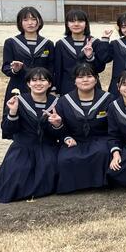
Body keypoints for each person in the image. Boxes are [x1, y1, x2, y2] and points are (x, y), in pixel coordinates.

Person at [0, 67, 59, 203]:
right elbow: (8, 129)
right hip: (23, 148)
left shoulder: (57, 103)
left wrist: (57, 124)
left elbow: (61, 132)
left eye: (43, 80)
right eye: (34, 80)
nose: (38, 83)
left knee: (50, 168)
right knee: (18, 173)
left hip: (47, 147)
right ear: (28, 83)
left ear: (49, 84)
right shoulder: (18, 101)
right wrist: (12, 112)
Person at [50, 63, 114, 194]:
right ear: (74, 80)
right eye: (80, 77)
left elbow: (113, 126)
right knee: (65, 158)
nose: (85, 80)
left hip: (99, 139)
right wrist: (62, 131)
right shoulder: (64, 101)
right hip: (75, 140)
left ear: (96, 79)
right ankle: (74, 186)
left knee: (101, 153)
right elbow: (61, 131)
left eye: (89, 76)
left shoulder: (108, 99)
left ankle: (99, 184)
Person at [1, 6, 55, 104]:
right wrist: (15, 70)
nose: (30, 23)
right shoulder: (11, 42)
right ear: (20, 23)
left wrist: (52, 89)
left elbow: (51, 69)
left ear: (39, 21)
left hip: (41, 89)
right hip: (18, 87)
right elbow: (6, 67)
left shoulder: (48, 44)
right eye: (25, 20)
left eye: (33, 19)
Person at [54, 9, 111, 94]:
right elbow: (58, 70)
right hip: (68, 88)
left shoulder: (94, 42)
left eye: (80, 21)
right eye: (72, 21)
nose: (76, 24)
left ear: (86, 23)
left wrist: (90, 57)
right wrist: (56, 90)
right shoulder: (61, 44)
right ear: (67, 24)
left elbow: (99, 68)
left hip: (91, 88)